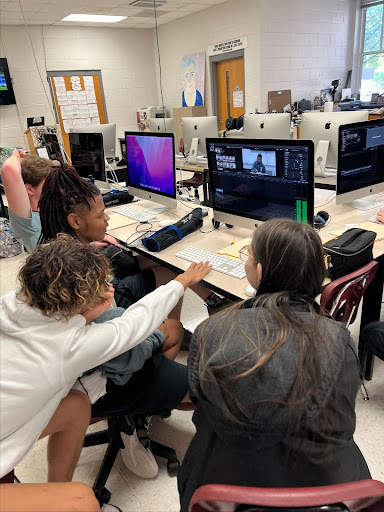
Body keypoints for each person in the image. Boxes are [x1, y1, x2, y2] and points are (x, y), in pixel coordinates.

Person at [178, 218, 370, 511]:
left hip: (221, 489)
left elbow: (201, 412)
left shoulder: (210, 331)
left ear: (260, 271)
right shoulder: (338, 339)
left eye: (249, 255)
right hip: (327, 492)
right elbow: (342, 425)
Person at [0, 235, 211, 482]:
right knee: (81, 501)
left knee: (75, 407)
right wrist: (182, 280)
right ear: (80, 303)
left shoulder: (12, 302)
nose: (107, 288)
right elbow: (136, 323)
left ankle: (59, 484)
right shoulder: (71, 345)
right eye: (101, 286)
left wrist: (80, 264)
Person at [1, 152, 54, 252]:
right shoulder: (28, 223)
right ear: (29, 189)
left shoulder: (53, 208)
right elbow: (9, 169)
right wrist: (15, 156)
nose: (55, 187)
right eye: (49, 183)